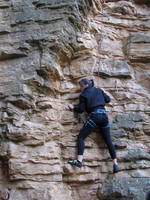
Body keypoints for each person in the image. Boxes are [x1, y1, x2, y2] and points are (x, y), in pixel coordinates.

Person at [68, 78, 121, 173]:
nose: (80, 88)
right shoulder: (99, 90)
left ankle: (79, 161)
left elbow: (81, 110)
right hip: (104, 116)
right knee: (108, 140)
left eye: (81, 86)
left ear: (85, 85)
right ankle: (115, 164)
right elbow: (108, 100)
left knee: (81, 137)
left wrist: (73, 107)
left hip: (95, 116)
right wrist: (99, 98)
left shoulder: (83, 95)